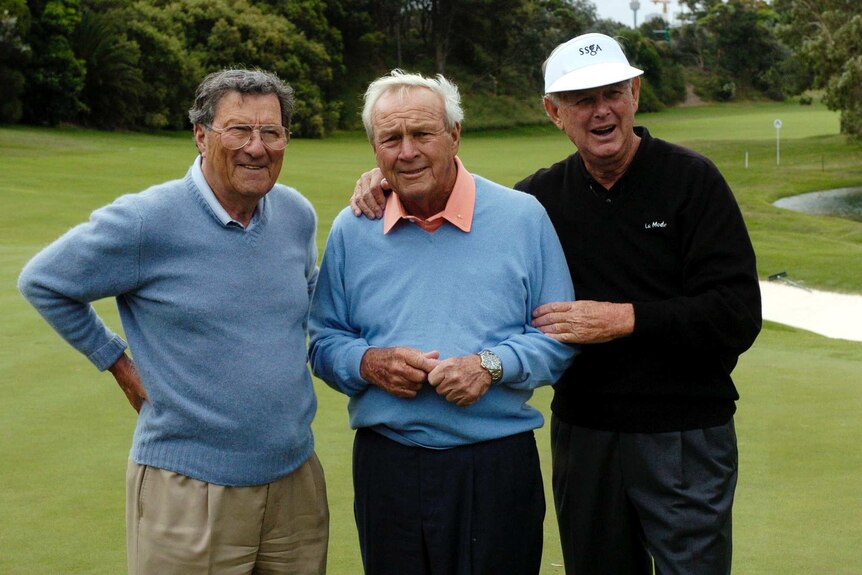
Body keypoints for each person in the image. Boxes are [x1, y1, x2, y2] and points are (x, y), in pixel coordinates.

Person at [350, 34, 762, 575]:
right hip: (585, 435)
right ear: (554, 113)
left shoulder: (691, 180)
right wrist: (389, 176)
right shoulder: (537, 200)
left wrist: (624, 318)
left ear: (634, 93)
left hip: (683, 433)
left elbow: (736, 313)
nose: (601, 111)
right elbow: (442, 169)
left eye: (612, 93)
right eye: (581, 101)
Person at [18, 68, 328, 574]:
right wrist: (116, 361)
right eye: (238, 130)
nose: (257, 146)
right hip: (188, 491)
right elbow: (44, 281)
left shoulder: (296, 214)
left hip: (295, 483)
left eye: (271, 132)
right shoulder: (146, 220)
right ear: (201, 136)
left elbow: (308, 303)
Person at [309, 69, 576, 575]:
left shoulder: (522, 217)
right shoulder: (353, 228)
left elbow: (557, 340)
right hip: (388, 464)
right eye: (391, 138)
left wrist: (491, 365)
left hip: (496, 464)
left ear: (454, 135)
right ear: (374, 147)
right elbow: (323, 342)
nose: (406, 151)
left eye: (422, 134)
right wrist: (368, 362)